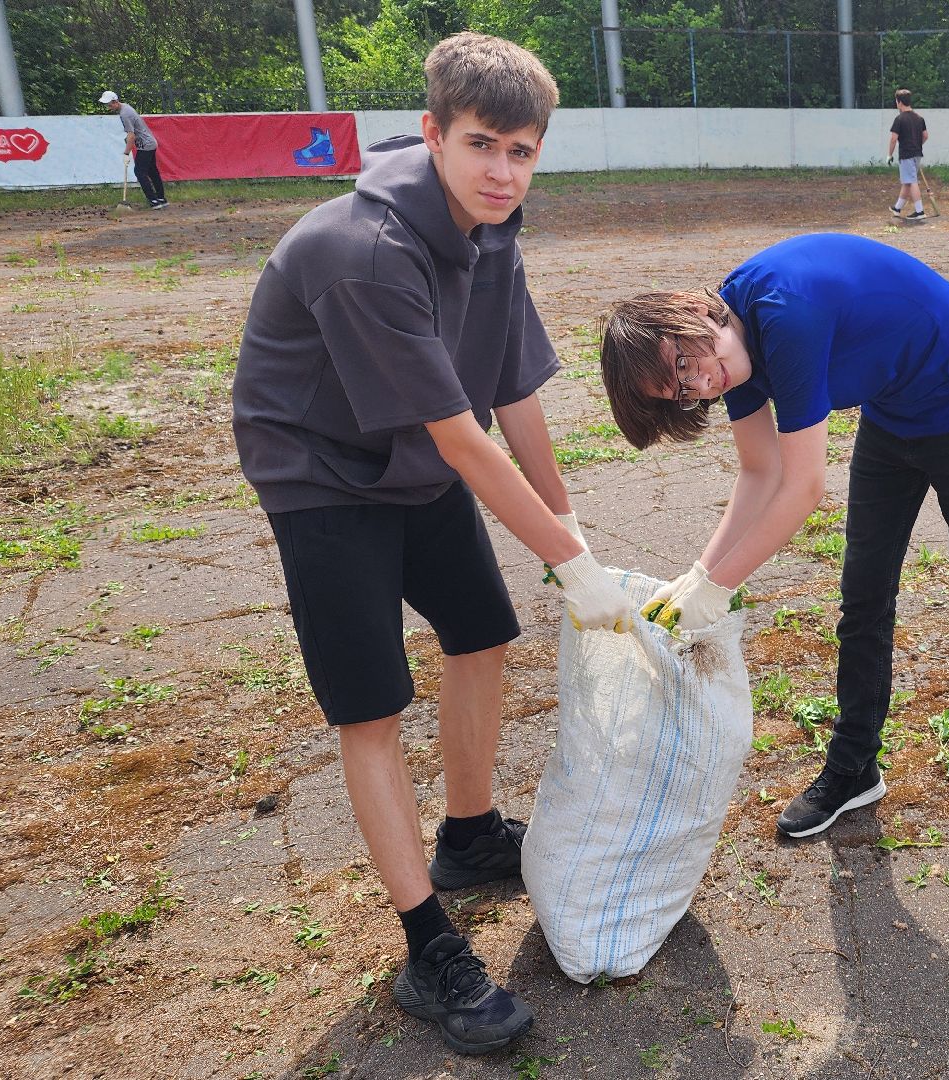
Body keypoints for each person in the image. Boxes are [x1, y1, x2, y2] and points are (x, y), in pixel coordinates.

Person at [231, 33, 633, 1055]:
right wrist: (570, 566)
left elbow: (509, 387)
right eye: (482, 145)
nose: (503, 172)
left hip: (414, 458)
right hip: (321, 478)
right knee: (370, 709)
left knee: (480, 633)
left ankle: (466, 835)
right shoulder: (362, 250)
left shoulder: (496, 227)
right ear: (431, 134)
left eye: (523, 152)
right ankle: (426, 948)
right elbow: (463, 437)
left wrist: (567, 524)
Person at [598, 233, 949, 872]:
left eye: (686, 361)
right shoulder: (731, 350)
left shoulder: (781, 317)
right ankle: (855, 763)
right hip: (894, 418)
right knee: (863, 598)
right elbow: (758, 474)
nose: (702, 380)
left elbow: (803, 489)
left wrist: (717, 590)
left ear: (691, 314)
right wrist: (697, 576)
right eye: (683, 391)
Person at [99, 90, 166, 209]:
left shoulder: (124, 114)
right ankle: (161, 198)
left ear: (115, 101)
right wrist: (128, 140)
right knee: (152, 171)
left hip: (145, 145)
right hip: (150, 142)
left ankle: (153, 201)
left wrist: (126, 153)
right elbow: (133, 132)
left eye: (109, 104)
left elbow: (131, 135)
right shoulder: (126, 107)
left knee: (139, 172)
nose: (108, 107)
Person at [888, 89, 929, 220]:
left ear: (899, 102)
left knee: (911, 181)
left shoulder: (899, 119)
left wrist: (889, 155)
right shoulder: (919, 118)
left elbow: (894, 139)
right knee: (907, 181)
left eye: (896, 102)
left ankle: (920, 211)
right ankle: (897, 208)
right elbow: (925, 136)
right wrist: (918, 144)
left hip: (906, 154)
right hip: (917, 154)